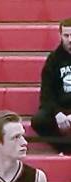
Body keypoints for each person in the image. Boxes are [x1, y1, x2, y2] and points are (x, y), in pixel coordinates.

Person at [31, 18, 71, 154]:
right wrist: (57, 113)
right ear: (60, 35)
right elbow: (46, 94)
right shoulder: (53, 60)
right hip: (60, 108)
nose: (70, 40)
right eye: (66, 35)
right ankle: (66, 150)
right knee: (39, 121)